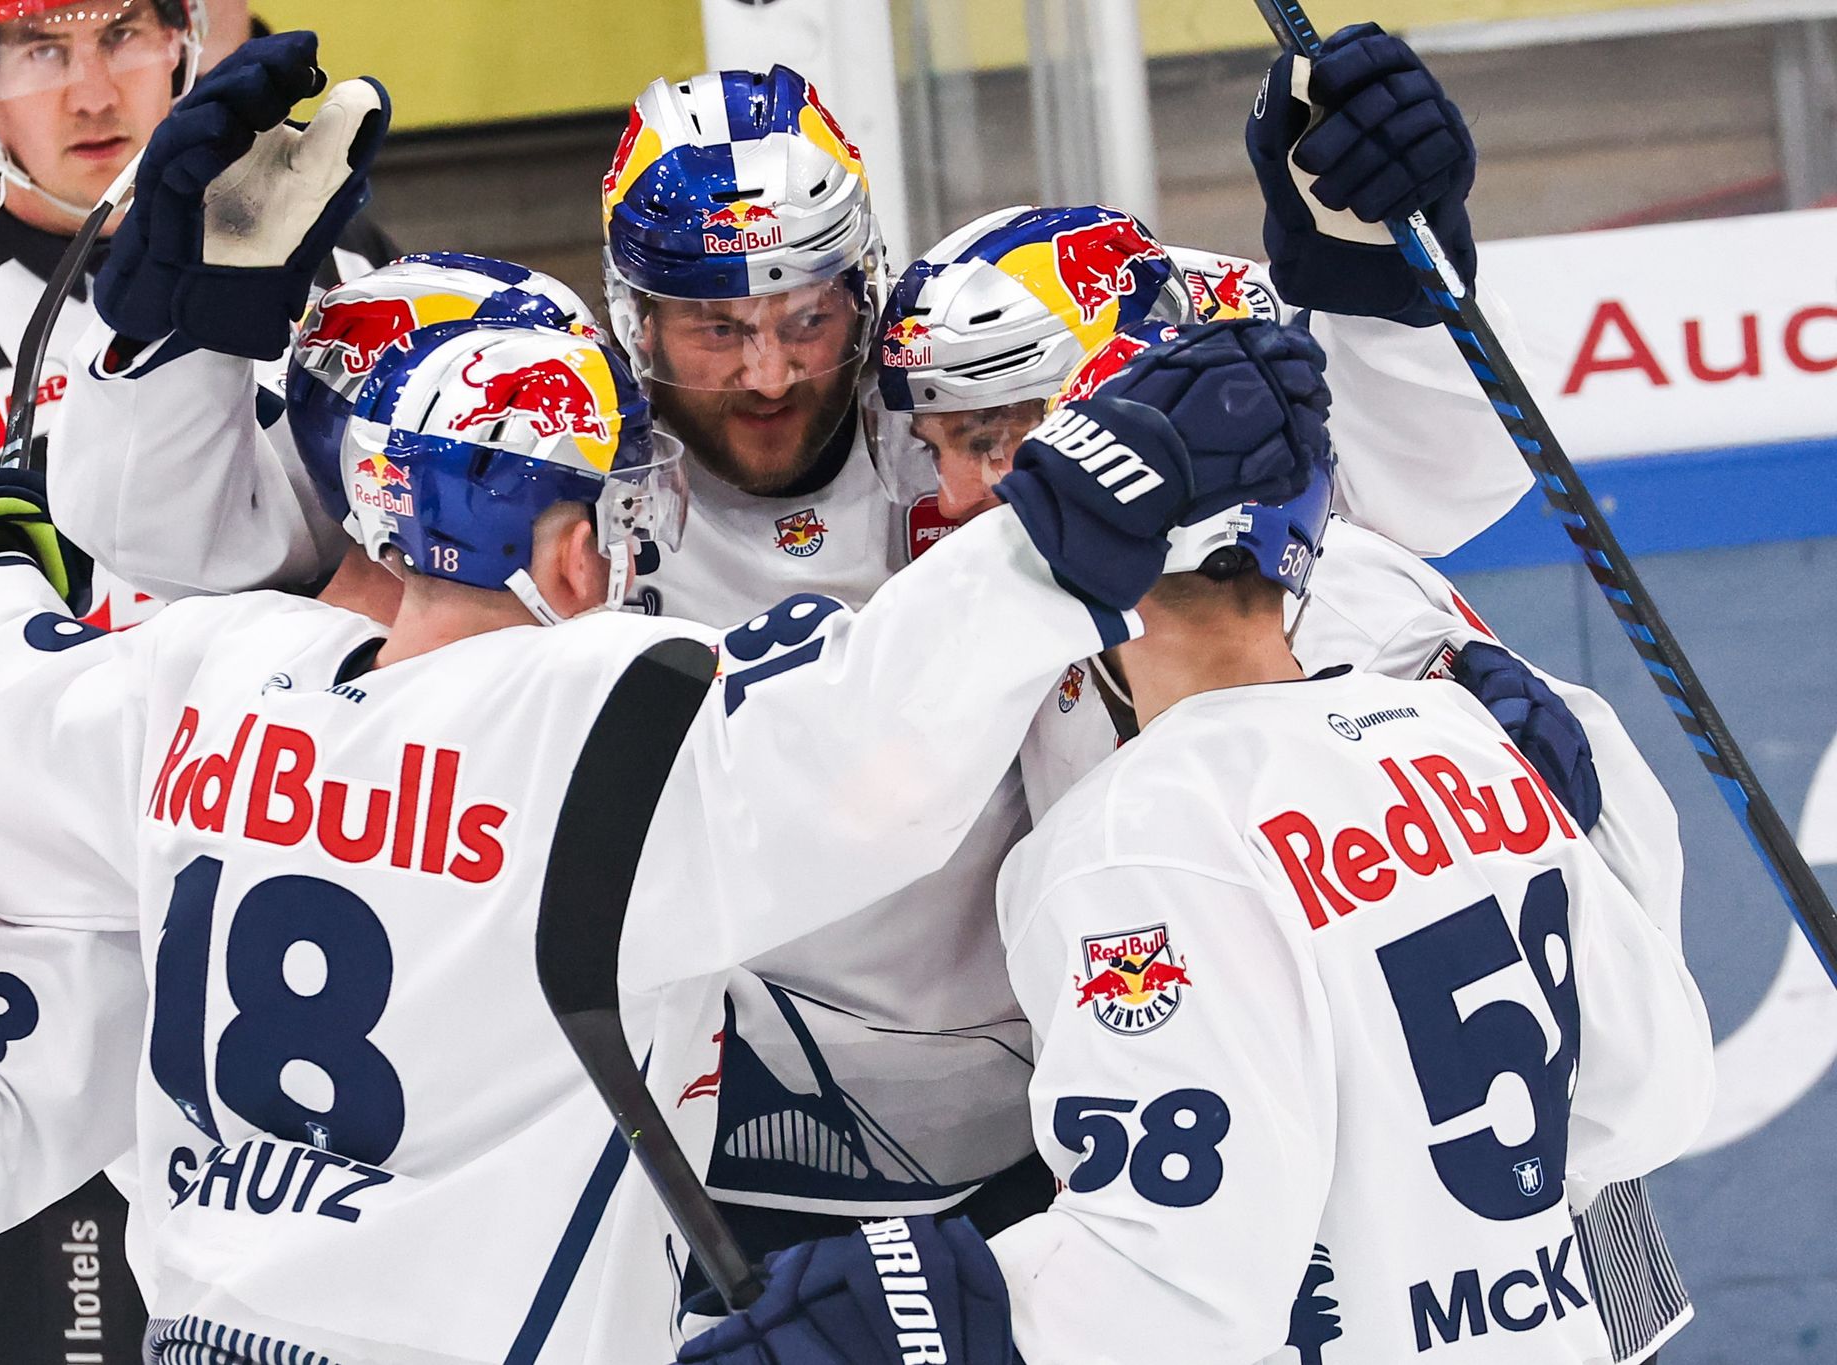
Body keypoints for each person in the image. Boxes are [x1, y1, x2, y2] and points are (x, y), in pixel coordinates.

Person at [0, 306, 1305, 1364]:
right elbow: (873, 740)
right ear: (575, 549)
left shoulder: (206, 678)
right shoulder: (607, 714)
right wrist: (1063, 528)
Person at [676, 318, 1715, 1365]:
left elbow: (1173, 1294)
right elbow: (1653, 1102)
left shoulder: (1125, 844)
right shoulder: (1467, 739)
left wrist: (923, 1310)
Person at [0, 12, 394, 1362]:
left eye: (124, 29)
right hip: (58, 990)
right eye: (35, 46)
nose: (93, 83)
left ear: (188, 39)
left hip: (326, 948)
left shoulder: (342, 263)